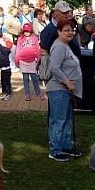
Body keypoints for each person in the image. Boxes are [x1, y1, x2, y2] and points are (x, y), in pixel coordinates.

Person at [47, 19, 83, 162]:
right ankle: (55, 151)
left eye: (71, 30)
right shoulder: (59, 47)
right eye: (66, 30)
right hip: (59, 90)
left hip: (66, 91)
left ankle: (66, 147)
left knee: (67, 119)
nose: (69, 33)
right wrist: (68, 82)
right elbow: (54, 68)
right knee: (58, 120)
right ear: (59, 32)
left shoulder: (65, 45)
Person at [15, 23, 42, 100]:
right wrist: (17, 61)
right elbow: (18, 50)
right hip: (23, 61)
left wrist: (38, 59)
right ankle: (27, 94)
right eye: (25, 31)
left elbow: (37, 49)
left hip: (32, 61)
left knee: (34, 78)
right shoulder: (20, 39)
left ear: (31, 31)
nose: (26, 33)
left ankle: (38, 93)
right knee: (25, 79)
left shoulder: (34, 38)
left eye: (28, 31)